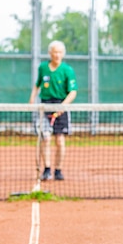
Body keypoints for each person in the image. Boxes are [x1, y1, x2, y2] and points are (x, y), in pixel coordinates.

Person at [29, 40, 78, 181]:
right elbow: (37, 85)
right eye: (54, 52)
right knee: (46, 138)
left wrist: (63, 106)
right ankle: (47, 169)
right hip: (45, 106)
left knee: (60, 140)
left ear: (63, 54)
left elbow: (73, 92)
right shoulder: (43, 68)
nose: (57, 55)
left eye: (59, 52)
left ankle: (58, 170)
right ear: (50, 53)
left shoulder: (68, 70)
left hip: (61, 105)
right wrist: (32, 98)